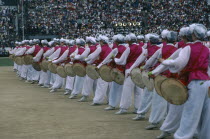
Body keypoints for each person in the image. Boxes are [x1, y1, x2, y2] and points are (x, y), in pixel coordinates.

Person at [153, 24, 209, 139]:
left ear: (192, 35)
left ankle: (182, 136)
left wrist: (164, 62)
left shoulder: (188, 48)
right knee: (206, 112)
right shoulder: (207, 49)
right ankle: (204, 135)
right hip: (206, 81)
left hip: (195, 81)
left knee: (191, 111)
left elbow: (179, 63)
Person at [115, 33, 147, 114]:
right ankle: (138, 108)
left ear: (128, 40)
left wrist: (114, 59)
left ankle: (124, 108)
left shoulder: (128, 48)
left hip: (129, 69)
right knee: (139, 90)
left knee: (127, 89)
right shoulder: (142, 49)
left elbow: (122, 61)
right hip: (138, 70)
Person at [104, 34, 129, 110]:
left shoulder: (116, 49)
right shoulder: (126, 48)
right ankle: (123, 105)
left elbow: (109, 58)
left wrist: (110, 60)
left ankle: (112, 104)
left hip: (117, 70)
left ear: (117, 42)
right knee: (123, 89)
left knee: (114, 89)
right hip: (125, 70)